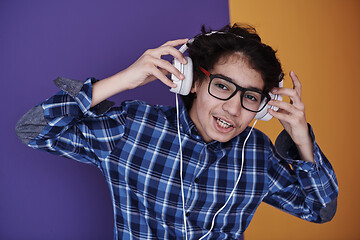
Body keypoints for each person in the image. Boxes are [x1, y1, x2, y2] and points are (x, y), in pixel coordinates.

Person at [15, 23, 338, 240]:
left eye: (250, 97)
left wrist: (301, 138)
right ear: (192, 81)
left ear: (264, 107)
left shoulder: (257, 153)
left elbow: (320, 209)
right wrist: (122, 80)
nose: (233, 109)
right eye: (222, 86)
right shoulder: (133, 127)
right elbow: (33, 129)